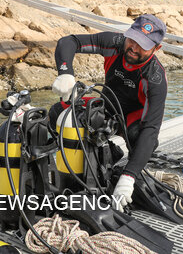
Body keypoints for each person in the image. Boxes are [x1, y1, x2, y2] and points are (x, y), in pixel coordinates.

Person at [51, 14, 168, 211]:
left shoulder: (155, 78)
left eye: (143, 45)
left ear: (157, 49)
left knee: (141, 137)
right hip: (106, 106)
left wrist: (128, 177)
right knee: (57, 112)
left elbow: (151, 128)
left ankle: (131, 173)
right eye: (133, 39)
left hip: (132, 120)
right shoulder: (116, 43)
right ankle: (101, 153)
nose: (133, 48)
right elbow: (69, 41)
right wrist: (65, 73)